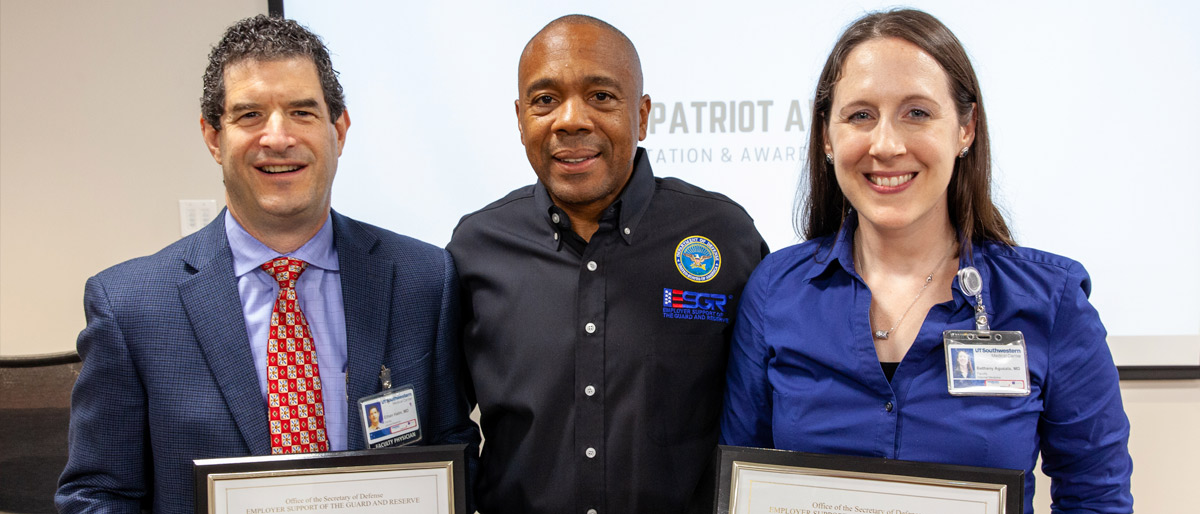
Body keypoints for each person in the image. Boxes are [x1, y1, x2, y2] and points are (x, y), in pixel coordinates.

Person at [56, 15, 477, 513]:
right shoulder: (129, 308)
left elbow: (454, 453)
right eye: (250, 115)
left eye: (302, 112)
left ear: (338, 131)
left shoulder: (424, 280)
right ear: (213, 137)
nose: (277, 138)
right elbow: (97, 496)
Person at [719, 8, 1132, 512]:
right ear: (827, 136)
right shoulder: (776, 291)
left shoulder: (1052, 300)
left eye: (917, 112)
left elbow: (1096, 497)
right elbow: (742, 482)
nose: (887, 144)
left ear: (965, 129)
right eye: (860, 115)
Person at [447, 14, 768, 514]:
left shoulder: (725, 236)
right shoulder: (476, 247)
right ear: (520, 117)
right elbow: (447, 431)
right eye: (545, 100)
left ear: (641, 116)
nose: (570, 120)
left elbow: (764, 417)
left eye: (601, 96)